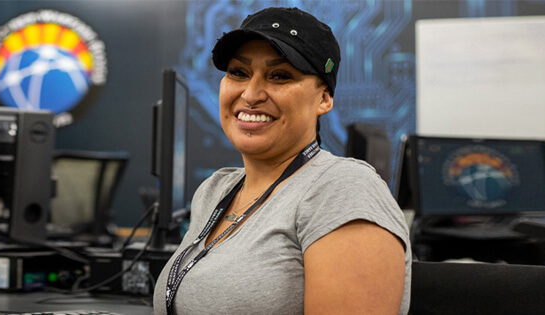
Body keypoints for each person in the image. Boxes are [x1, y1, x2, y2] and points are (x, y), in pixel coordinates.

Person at [153, 7, 411, 315]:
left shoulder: (343, 189)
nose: (251, 94)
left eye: (280, 76)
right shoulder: (216, 190)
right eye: (239, 73)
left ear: (324, 98)